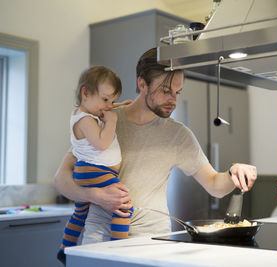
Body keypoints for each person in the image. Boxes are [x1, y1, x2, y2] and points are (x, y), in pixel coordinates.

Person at [54, 47, 258, 246]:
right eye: (166, 91)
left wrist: (234, 172)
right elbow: (61, 179)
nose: (173, 100)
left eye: (178, 92)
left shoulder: (178, 135)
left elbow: (215, 185)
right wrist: (95, 196)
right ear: (142, 84)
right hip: (98, 238)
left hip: (152, 241)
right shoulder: (105, 120)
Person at [57, 66, 133, 264]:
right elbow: (102, 143)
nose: (109, 106)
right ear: (85, 93)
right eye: (106, 99)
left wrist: (118, 106)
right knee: (124, 208)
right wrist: (112, 122)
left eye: (113, 101)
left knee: (80, 212)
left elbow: (104, 110)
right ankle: (118, 250)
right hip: (97, 171)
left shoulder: (84, 114)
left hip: (87, 172)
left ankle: (65, 248)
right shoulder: (85, 120)